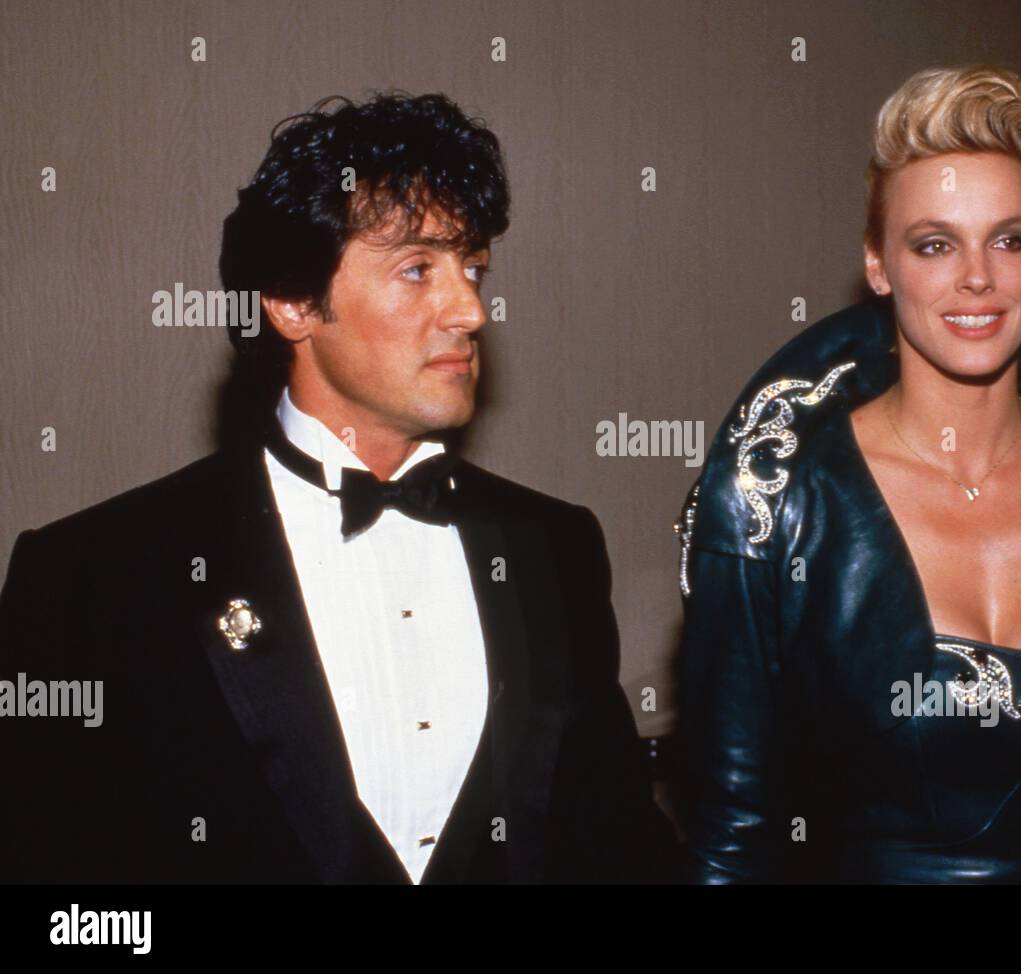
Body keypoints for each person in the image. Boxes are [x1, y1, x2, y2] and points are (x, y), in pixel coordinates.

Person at [0, 92, 678, 883]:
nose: (469, 309)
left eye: (473, 268)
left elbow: (618, 846)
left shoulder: (555, 547)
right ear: (293, 303)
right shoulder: (93, 574)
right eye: (418, 268)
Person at [674, 65, 1021, 883]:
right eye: (934, 243)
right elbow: (732, 836)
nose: (978, 277)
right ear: (876, 264)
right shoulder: (769, 504)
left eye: (1009, 239)